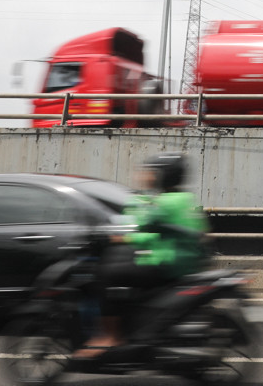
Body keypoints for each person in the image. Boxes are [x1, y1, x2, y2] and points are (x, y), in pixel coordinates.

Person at [78, 152, 210, 356]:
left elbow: (140, 225)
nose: (147, 176)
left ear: (164, 175)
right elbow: (161, 231)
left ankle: (111, 336)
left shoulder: (164, 202)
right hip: (186, 260)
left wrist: (120, 236)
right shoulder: (186, 199)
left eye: (152, 173)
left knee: (109, 273)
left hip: (168, 262)